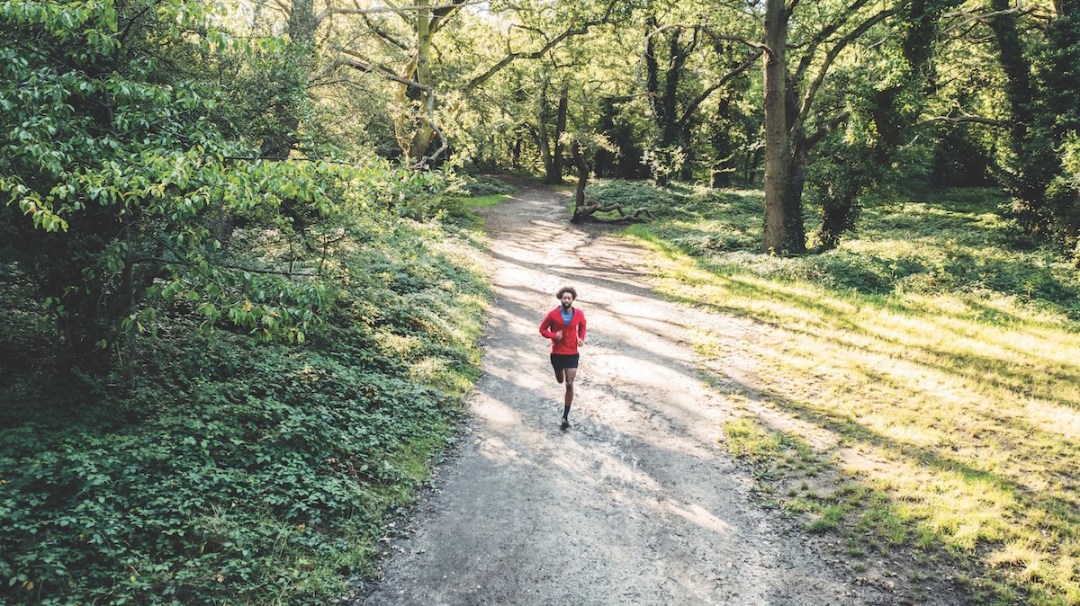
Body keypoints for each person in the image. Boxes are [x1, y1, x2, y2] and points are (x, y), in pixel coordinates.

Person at [538, 286, 587, 429]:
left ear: (572, 299)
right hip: (557, 353)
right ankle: (558, 373)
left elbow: (582, 325)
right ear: (560, 298)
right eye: (564, 298)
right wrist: (554, 336)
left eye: (569, 298)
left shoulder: (578, 314)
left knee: (569, 384)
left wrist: (581, 338)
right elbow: (542, 329)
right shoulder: (553, 314)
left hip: (572, 353)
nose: (566, 300)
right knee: (560, 379)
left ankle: (565, 417)